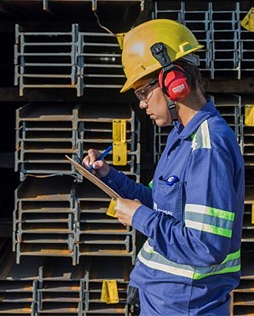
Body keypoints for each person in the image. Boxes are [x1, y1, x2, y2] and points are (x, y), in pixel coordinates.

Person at [83, 19, 245, 315]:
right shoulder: (181, 136)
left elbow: (205, 246)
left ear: (174, 82)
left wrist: (139, 218)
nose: (142, 105)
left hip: (185, 304)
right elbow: (163, 206)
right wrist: (110, 176)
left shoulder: (207, 145)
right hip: (163, 297)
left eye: (143, 93)